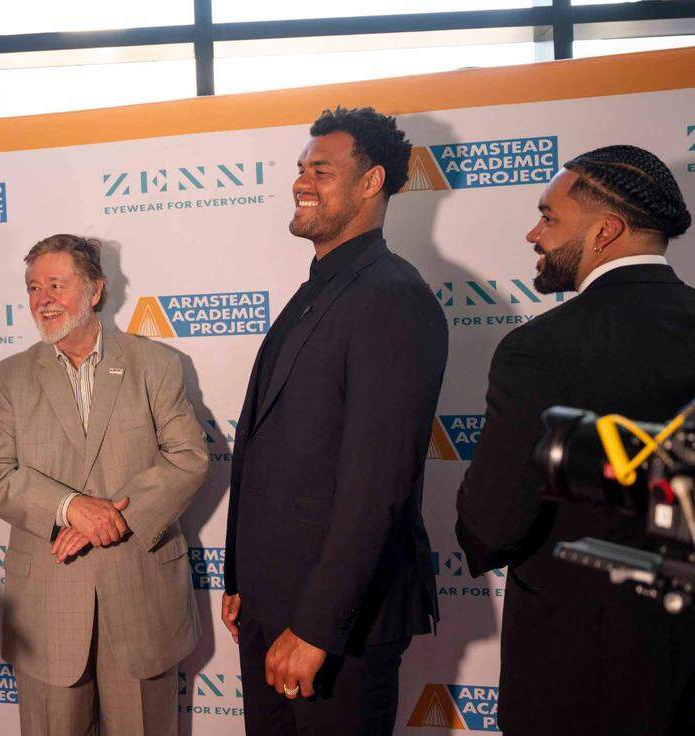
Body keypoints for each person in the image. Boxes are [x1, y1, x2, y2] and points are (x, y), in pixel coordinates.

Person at [222, 107, 448, 735]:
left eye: (321, 170)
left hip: (336, 627)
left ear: (372, 182)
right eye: (301, 169)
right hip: (273, 608)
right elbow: (269, 447)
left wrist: (318, 626)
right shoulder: (317, 289)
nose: (301, 182)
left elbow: (378, 483)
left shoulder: (393, 296)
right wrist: (243, 578)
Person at [456, 144, 695, 735]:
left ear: (606, 231)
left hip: (579, 672)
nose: (533, 234)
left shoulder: (542, 347)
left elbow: (494, 520)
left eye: (549, 216)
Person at [0, 234, 208, 736]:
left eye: (57, 284)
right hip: (48, 611)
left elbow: (188, 458)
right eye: (34, 287)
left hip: (141, 603)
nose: (43, 299)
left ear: (96, 290)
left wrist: (114, 517)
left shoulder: (157, 366)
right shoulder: (6, 379)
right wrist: (71, 508)